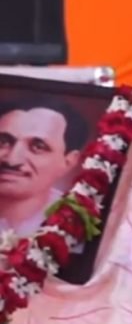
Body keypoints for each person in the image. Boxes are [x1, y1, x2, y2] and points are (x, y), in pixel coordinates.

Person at [0, 96, 89, 236]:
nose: (12, 160)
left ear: (68, 162)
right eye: (3, 142)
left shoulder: (78, 224)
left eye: (38, 146)